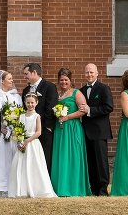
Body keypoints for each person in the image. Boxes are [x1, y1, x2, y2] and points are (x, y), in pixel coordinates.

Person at [7, 92, 57, 198]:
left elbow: (38, 132)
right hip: (22, 144)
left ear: (36, 103)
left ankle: (36, 189)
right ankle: (22, 190)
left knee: (34, 166)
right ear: (25, 103)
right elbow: (17, 131)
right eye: (28, 102)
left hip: (33, 144)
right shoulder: (21, 116)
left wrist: (27, 141)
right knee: (21, 166)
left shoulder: (36, 116)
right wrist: (20, 141)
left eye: (32, 102)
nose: (30, 105)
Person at [51, 68, 91, 197]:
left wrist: (67, 117)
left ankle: (74, 188)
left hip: (72, 128)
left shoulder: (76, 93)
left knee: (73, 156)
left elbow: (84, 110)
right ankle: (60, 187)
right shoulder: (58, 95)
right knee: (61, 156)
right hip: (60, 130)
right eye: (61, 80)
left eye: (66, 80)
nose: (63, 82)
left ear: (70, 80)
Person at [80, 63, 114, 196]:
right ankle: (94, 188)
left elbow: (109, 107)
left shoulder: (104, 88)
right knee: (91, 161)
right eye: (87, 72)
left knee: (101, 161)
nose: (89, 75)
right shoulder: (81, 90)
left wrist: (90, 110)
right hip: (86, 131)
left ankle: (103, 189)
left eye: (91, 72)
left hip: (100, 131)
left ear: (97, 73)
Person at [0, 70, 23, 195]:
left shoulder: (16, 96)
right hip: (0, 133)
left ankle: (12, 183)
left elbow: (21, 114)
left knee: (13, 158)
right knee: (0, 158)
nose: (12, 81)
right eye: (9, 79)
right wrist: (1, 128)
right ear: (1, 81)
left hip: (14, 133)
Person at [22, 63, 59, 174]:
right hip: (29, 131)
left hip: (44, 129)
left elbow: (51, 107)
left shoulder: (49, 86)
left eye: (26, 74)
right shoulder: (25, 90)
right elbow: (25, 109)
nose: (25, 77)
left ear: (34, 72)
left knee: (45, 157)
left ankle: (45, 185)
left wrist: (47, 127)